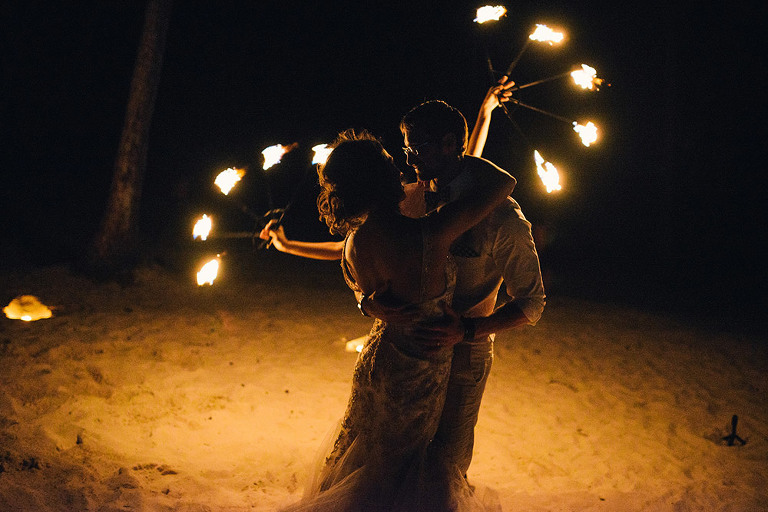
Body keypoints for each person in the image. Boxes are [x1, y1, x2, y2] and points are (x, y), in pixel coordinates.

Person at [273, 129, 516, 511]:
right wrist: (455, 153)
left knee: (368, 455)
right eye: (389, 161)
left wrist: (365, 304)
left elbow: (358, 278)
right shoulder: (430, 234)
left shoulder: (356, 240)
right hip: (421, 366)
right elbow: (505, 182)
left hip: (379, 356)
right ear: (380, 178)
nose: (399, 164)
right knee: (402, 470)